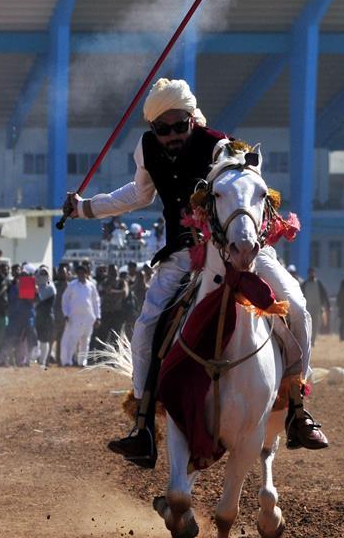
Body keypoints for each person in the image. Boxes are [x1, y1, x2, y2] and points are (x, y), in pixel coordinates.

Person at [64, 77, 326, 463]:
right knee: (144, 330)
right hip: (183, 253)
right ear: (152, 128)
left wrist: (242, 231)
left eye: (178, 126)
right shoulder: (147, 149)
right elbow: (138, 195)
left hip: (236, 245)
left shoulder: (221, 146)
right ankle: (143, 426)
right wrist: (85, 208)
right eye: (161, 128)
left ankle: (298, 412)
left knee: (298, 310)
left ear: (192, 118)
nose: (170, 135)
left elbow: (251, 182)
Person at [60, 262, 101, 367]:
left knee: (85, 341)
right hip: (75, 317)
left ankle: (82, 361)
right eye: (79, 273)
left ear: (86, 274)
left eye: (83, 273)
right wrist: (66, 314)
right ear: (77, 274)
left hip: (88, 317)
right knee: (73, 339)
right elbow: (65, 299)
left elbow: (96, 302)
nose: (81, 274)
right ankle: (68, 360)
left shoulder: (91, 286)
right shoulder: (72, 285)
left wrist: (97, 317)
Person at [35, 265, 56, 368]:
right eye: (41, 273)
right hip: (38, 316)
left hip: (47, 317)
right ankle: (37, 360)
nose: (43, 276)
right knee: (36, 338)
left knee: (44, 340)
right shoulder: (39, 286)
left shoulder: (49, 286)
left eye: (45, 274)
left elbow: (39, 298)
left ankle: (43, 361)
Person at [301, 267, 330, 342]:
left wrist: (327, 305)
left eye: (313, 272)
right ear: (308, 274)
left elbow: (324, 294)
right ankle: (308, 339)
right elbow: (300, 296)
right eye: (310, 272)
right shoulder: (304, 284)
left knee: (316, 324)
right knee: (307, 324)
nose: (312, 274)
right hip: (308, 308)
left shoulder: (318, 283)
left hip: (317, 307)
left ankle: (312, 340)